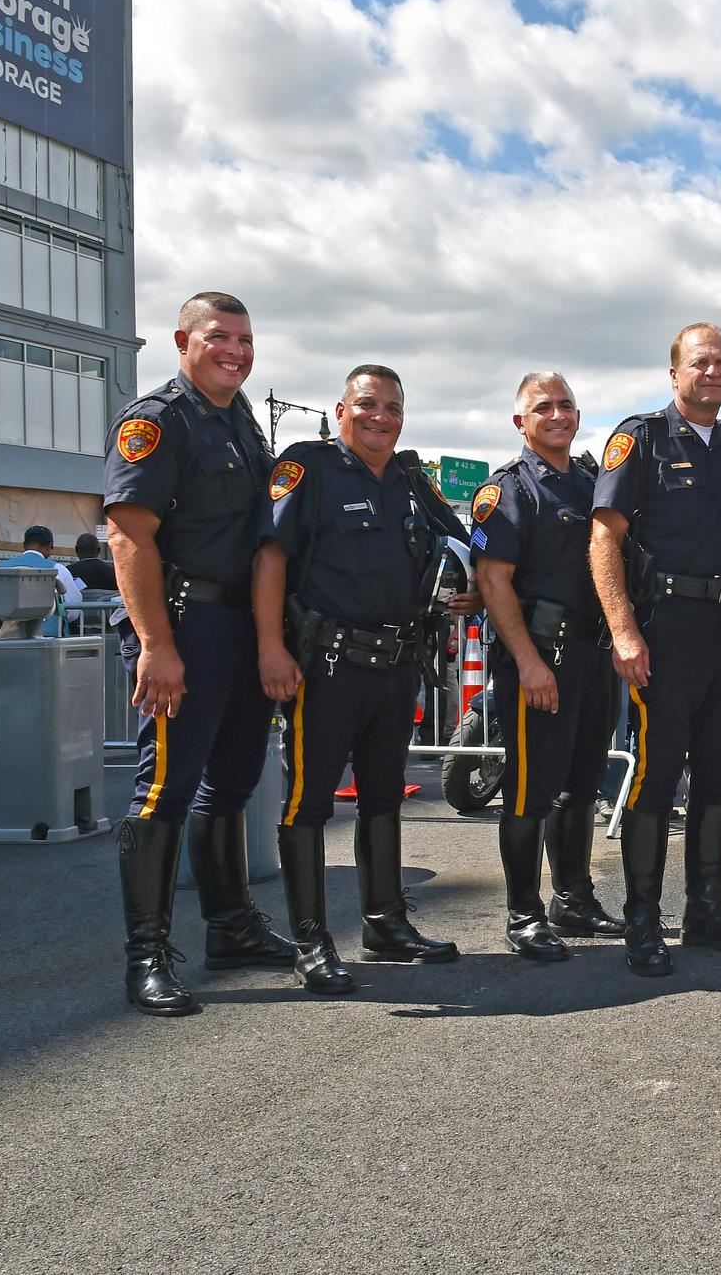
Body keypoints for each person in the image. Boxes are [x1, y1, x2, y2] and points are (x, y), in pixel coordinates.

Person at [102, 291, 294, 1017]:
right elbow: (128, 535)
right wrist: (155, 645)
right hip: (184, 625)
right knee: (164, 791)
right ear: (184, 340)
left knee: (233, 785)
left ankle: (231, 927)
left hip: (241, 626)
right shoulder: (158, 422)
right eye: (220, 337)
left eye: (246, 340)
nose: (236, 351)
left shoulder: (239, 421)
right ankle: (145, 956)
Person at [254, 365, 472, 994]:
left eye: (394, 408)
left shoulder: (408, 478)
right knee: (310, 802)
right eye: (368, 405)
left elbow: (462, 542)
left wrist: (469, 586)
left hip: (396, 664)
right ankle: (312, 943)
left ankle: (386, 923)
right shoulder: (308, 467)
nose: (382, 418)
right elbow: (270, 558)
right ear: (342, 409)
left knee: (381, 795)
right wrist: (272, 647)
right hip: (327, 665)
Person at [590, 323, 721, 976]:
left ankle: (706, 909)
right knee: (658, 776)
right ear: (675, 374)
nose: (712, 371)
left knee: (718, 777)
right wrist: (622, 630)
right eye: (699, 362)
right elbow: (604, 538)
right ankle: (641, 918)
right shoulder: (641, 440)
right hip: (662, 631)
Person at [469, 372, 623, 963]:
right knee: (532, 790)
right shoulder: (508, 489)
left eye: (565, 405)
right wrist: (529, 663)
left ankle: (574, 899)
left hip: (591, 655)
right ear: (520, 423)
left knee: (582, 783)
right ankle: (523, 912)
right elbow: (493, 580)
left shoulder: (590, 483)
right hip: (541, 659)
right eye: (543, 407)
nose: (557, 415)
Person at [0, 525, 80, 637]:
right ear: (49, 546)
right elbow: (73, 611)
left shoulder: (0, 567)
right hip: (50, 635)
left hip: (5, 635)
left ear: (24, 545)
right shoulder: (58, 569)